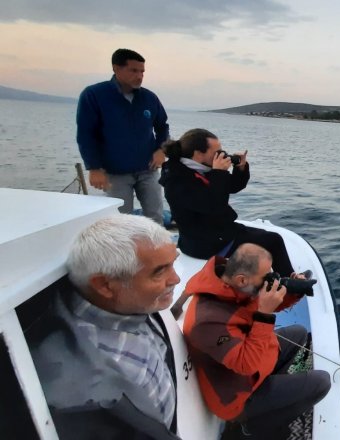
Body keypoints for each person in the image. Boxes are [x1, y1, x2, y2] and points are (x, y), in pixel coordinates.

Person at [25, 214, 181, 439]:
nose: (175, 279)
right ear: (105, 285)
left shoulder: (129, 303)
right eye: (160, 271)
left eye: (173, 264)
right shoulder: (91, 395)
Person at [182, 243, 331, 439]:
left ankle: (272, 390)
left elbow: (259, 300)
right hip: (238, 395)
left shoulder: (232, 283)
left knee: (299, 332)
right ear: (242, 279)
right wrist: (264, 315)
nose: (269, 282)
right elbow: (246, 365)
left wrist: (293, 291)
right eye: (265, 279)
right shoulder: (206, 321)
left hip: (256, 365)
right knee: (321, 382)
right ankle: (253, 428)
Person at [159, 128, 296, 277]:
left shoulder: (196, 168)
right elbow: (214, 206)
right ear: (198, 154)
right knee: (274, 240)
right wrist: (219, 173)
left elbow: (231, 187)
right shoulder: (177, 180)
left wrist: (240, 168)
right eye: (216, 151)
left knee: (262, 235)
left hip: (211, 232)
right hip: (207, 243)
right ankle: (290, 282)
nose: (221, 155)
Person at [76, 48, 170, 225]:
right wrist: (94, 168)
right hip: (115, 173)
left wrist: (161, 149)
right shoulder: (94, 95)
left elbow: (162, 127)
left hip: (148, 170)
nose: (140, 76)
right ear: (116, 68)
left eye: (142, 71)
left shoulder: (149, 98)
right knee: (120, 222)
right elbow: (85, 134)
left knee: (155, 217)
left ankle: (156, 251)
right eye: (134, 70)